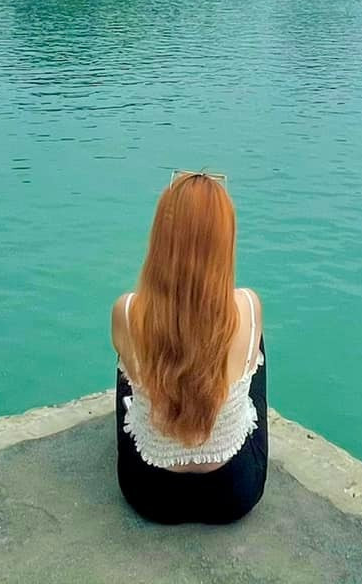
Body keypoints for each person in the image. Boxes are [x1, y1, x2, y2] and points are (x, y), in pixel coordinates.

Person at [112, 172, 266, 525]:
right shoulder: (249, 305)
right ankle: (226, 422)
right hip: (234, 495)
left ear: (161, 239)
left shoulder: (126, 309)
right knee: (253, 346)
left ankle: (156, 426)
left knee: (131, 345)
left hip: (149, 494)